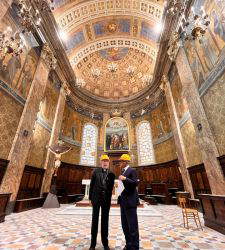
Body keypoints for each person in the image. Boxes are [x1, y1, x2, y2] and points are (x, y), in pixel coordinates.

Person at [89, 154, 115, 250]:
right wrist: (90, 199)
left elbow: (111, 188)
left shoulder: (111, 173)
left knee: (105, 221)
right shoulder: (95, 171)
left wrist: (109, 199)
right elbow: (91, 185)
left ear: (108, 163)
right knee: (94, 221)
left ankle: (105, 243)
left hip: (106, 201)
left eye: (106, 161)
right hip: (96, 199)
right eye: (103, 161)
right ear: (101, 162)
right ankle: (92, 244)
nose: (105, 162)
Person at [118, 154, 139, 250]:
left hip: (130, 202)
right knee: (125, 226)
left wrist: (125, 179)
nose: (120, 163)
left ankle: (134, 247)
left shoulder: (132, 170)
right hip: (123, 202)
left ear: (125, 162)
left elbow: (135, 183)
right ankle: (128, 244)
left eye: (121, 161)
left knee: (132, 226)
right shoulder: (123, 171)